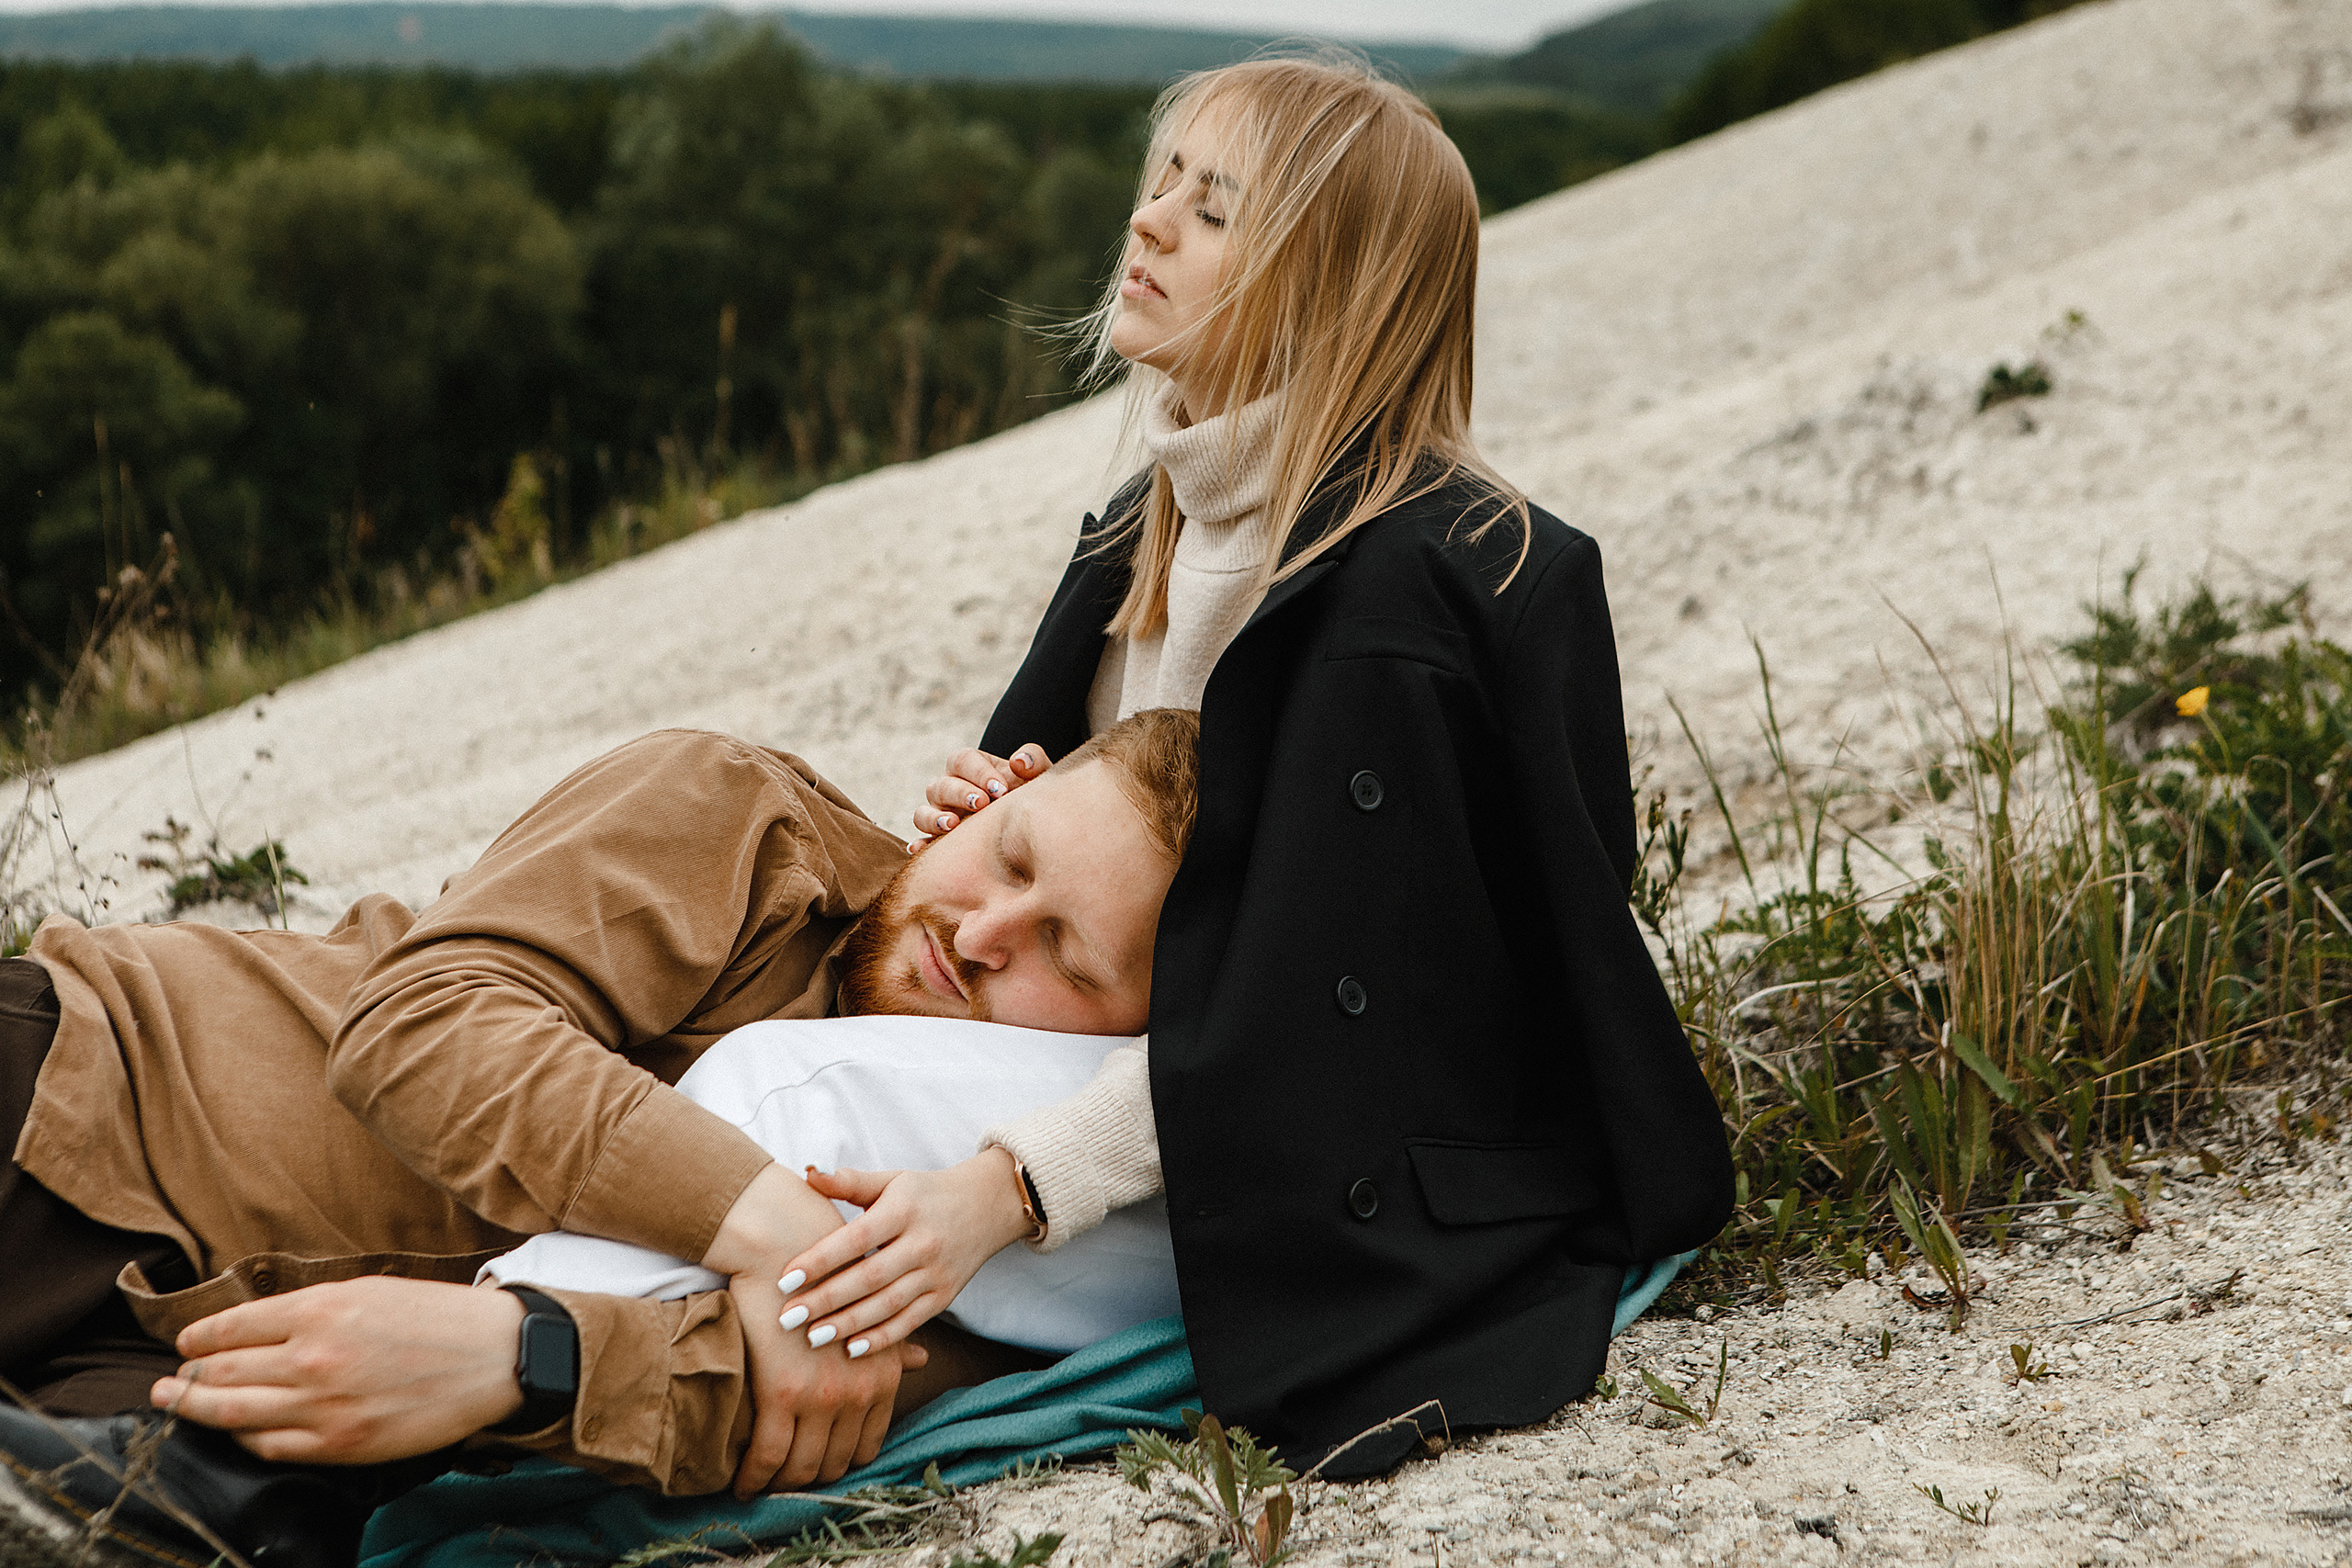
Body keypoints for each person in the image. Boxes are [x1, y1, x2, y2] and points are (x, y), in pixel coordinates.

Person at [760, 53, 1736, 1475]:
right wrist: (995, 824)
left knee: (787, 1094)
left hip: (1315, 1174)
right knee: (717, 886)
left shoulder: (1424, 588)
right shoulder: (1140, 531)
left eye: (1212, 211)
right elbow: (1101, 888)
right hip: (1122, 1088)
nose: (1147, 222)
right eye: (1164, 184)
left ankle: (543, 1362)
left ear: (1330, 290)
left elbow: (1321, 1022)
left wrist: (1006, 1190)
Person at [0, 710, 1198, 1566]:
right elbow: (424, 1029)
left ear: (1119, 1050)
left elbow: (795, 1402)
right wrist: (772, 1226)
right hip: (94, 1093)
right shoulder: (739, 821)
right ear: (998, 789)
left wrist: (532, 1355)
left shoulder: (975, 1218)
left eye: (1063, 956)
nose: (980, 935)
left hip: (209, 1391)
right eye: (1011, 856)